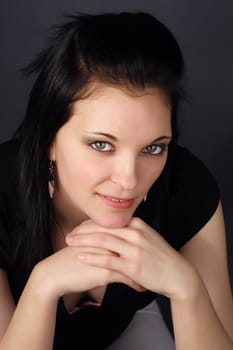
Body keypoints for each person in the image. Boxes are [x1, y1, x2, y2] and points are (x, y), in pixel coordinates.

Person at [0, 11, 232, 350]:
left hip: (126, 328)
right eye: (101, 145)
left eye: (153, 147)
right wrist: (42, 286)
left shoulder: (186, 184)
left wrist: (187, 288)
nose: (129, 180)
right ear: (49, 139)